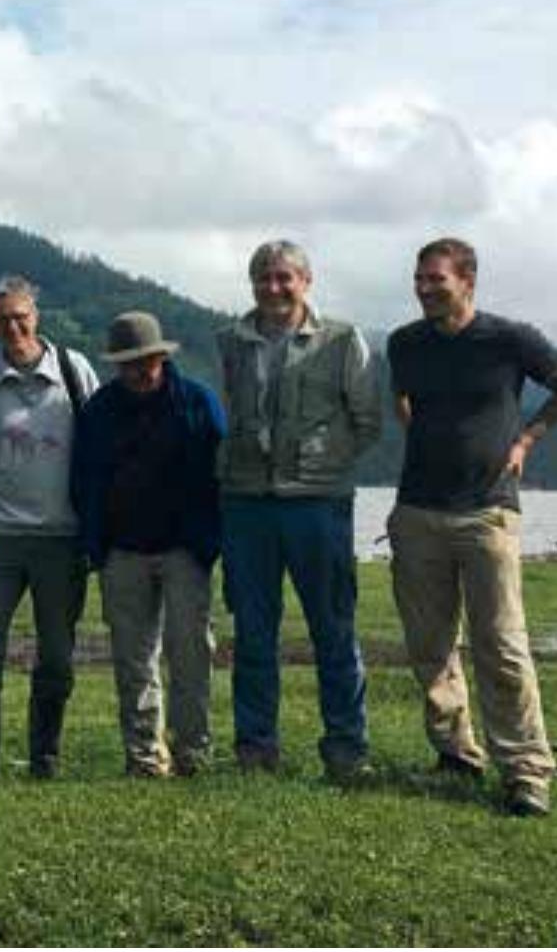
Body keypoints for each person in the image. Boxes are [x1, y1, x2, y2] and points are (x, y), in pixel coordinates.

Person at [387, 237, 557, 818]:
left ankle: (526, 771)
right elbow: (402, 402)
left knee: (501, 644)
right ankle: (455, 752)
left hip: (488, 510)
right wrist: (427, 441)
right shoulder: (405, 343)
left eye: (436, 280)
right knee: (429, 645)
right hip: (417, 509)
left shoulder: (510, 339)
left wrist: (525, 440)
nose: (424, 288)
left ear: (468, 281)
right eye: (419, 279)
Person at [216, 241, 382, 780]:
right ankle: (256, 750)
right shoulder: (230, 342)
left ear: (306, 281)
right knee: (253, 632)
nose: (274, 288)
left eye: (285, 277)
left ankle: (346, 750)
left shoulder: (341, 339)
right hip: (247, 505)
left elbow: (367, 421)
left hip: (319, 506)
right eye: (264, 278)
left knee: (333, 628)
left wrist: (324, 467)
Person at [0, 275, 99, 779]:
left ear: (36, 315)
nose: (12, 327)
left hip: (64, 541)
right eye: (2, 319)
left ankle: (45, 758)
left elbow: (99, 449)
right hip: (2, 539)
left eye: (20, 316)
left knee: (58, 658)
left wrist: (96, 529)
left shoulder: (75, 370)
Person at [71, 311, 225, 778]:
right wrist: (95, 543)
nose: (139, 370)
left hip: (185, 549)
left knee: (191, 654)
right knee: (133, 659)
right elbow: (82, 479)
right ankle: (143, 756)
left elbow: (221, 472)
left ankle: (192, 754)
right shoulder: (98, 410)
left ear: (162, 356)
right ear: (118, 365)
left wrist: (208, 541)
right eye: (128, 362)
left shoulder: (198, 402)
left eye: (146, 360)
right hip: (122, 551)